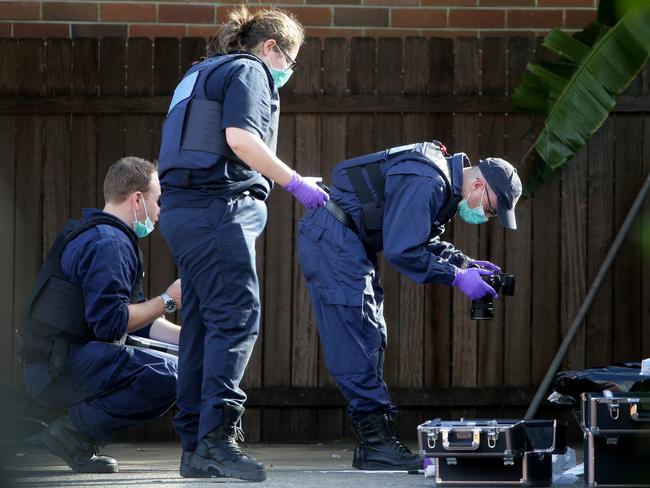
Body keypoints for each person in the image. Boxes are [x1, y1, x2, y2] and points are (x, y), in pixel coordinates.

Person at [157, 5, 328, 482]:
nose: (288, 73)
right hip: (218, 211)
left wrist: (281, 178)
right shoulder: (250, 71)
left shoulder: (202, 74)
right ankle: (217, 441)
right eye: (290, 63)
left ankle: (195, 446)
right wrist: (295, 184)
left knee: (201, 326)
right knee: (235, 318)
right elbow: (241, 140)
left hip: (184, 210)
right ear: (271, 47)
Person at [297, 140, 522, 471]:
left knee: (371, 333)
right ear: (478, 184)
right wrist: (458, 279)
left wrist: (464, 262)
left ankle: (375, 444)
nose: (486, 216)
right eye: (491, 208)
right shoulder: (429, 179)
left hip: (349, 243)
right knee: (357, 335)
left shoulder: (441, 182)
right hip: (335, 239)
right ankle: (376, 444)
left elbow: (422, 238)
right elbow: (404, 251)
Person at [19, 156, 181, 474]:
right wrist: (169, 300)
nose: (160, 211)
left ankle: (72, 430)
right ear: (137, 199)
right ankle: (72, 434)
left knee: (181, 363)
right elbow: (112, 324)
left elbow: (137, 320)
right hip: (57, 369)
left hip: (58, 361)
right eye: (157, 200)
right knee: (170, 376)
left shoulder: (103, 235)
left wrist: (188, 338)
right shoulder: (111, 245)